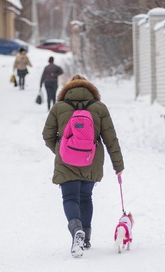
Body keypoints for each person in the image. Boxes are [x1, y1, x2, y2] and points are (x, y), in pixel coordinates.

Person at [42, 74, 124, 258]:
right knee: (86, 198)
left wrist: (62, 150)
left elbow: (47, 135)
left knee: (70, 198)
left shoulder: (59, 107)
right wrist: (118, 165)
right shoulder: (99, 108)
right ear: (90, 89)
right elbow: (111, 139)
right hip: (91, 159)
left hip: (66, 161)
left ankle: (75, 228)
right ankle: (85, 238)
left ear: (67, 90)